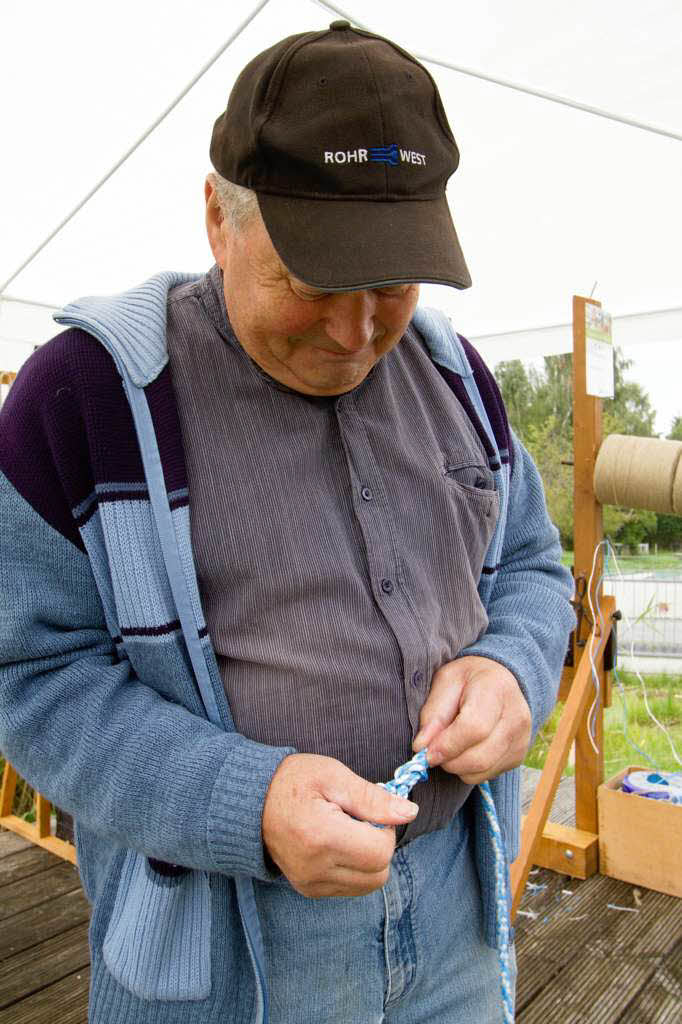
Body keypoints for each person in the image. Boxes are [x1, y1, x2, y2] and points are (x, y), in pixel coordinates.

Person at [0, 21, 574, 1024]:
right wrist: (245, 802)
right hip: (220, 959)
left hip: (454, 919)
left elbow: (530, 564)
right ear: (219, 220)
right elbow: (33, 676)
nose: (357, 334)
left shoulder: (458, 379)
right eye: (315, 283)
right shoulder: (82, 400)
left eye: (391, 284)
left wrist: (512, 667)